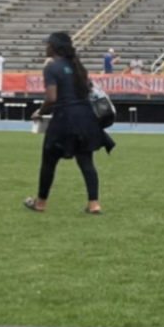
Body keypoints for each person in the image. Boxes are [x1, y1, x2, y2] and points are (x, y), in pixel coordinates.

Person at [25, 31, 112, 215]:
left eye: (47, 44)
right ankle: (94, 204)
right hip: (86, 119)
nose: (45, 47)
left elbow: (52, 98)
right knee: (86, 162)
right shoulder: (78, 66)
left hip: (64, 119)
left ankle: (40, 203)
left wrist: (40, 112)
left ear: (54, 47)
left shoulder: (52, 67)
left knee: (49, 161)